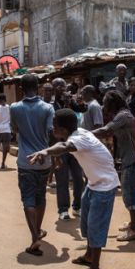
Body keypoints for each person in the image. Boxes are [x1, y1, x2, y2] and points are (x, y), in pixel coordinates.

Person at [28, 109, 119, 269]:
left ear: (63, 129)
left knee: (95, 227)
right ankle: (89, 255)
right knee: (85, 223)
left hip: (105, 186)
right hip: (94, 184)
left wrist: (45, 152)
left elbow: (64, 147)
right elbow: (66, 145)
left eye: (54, 126)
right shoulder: (79, 132)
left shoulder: (77, 139)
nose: (52, 129)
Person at [10, 74, 55, 256]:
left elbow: (15, 130)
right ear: (38, 87)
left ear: (21, 88)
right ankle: (38, 230)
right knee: (40, 196)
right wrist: (53, 155)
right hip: (44, 160)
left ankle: (35, 236)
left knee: (28, 199)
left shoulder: (15, 108)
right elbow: (51, 133)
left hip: (25, 161)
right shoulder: (48, 108)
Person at [94, 90, 135, 241]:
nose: (104, 105)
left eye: (106, 103)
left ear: (112, 103)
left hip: (132, 158)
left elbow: (106, 130)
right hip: (129, 158)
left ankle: (134, 229)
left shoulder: (122, 116)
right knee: (128, 192)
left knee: (130, 193)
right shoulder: (123, 114)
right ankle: (133, 223)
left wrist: (84, 134)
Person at [52, 78, 85, 220]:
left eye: (63, 85)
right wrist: (65, 104)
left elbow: (83, 109)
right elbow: (58, 118)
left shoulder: (71, 101)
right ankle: (63, 209)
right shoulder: (51, 104)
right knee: (62, 178)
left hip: (73, 144)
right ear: (54, 88)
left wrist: (78, 101)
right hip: (59, 145)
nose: (61, 87)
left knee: (78, 177)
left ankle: (77, 206)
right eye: (58, 85)